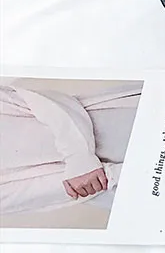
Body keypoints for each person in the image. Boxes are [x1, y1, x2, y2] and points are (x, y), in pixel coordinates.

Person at [0, 81, 142, 217]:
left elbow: (41, 101)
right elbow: (37, 194)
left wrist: (79, 159)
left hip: (110, 122)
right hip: (107, 183)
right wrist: (113, 175)